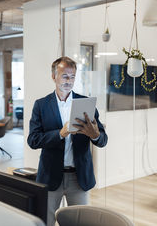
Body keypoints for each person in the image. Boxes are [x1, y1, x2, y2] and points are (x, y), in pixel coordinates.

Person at [27, 56, 108, 226]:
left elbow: (102, 140)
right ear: (54, 76)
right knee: (45, 222)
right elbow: (33, 140)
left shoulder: (85, 103)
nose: (69, 81)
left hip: (79, 178)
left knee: (80, 223)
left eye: (72, 77)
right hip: (50, 176)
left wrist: (95, 135)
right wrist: (60, 133)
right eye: (64, 76)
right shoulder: (41, 105)